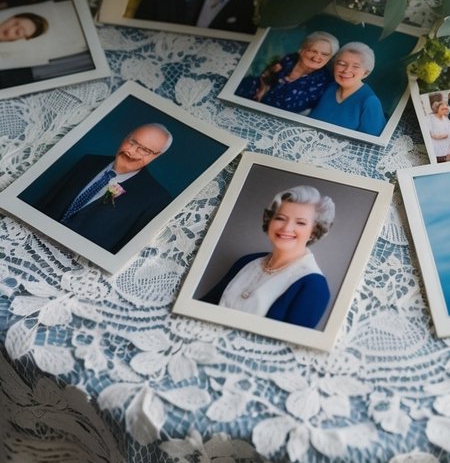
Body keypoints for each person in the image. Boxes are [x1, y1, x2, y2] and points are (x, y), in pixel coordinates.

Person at [25, 124, 174, 253]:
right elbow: (49, 198)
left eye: (144, 150)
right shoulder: (88, 161)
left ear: (156, 156)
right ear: (125, 137)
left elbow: (122, 248)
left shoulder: (155, 199)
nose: (132, 151)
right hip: (28, 237)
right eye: (132, 142)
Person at [199, 185, 334, 328]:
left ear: (314, 231)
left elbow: (280, 348)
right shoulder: (247, 261)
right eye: (280, 218)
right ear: (269, 221)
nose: (286, 228)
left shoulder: (314, 286)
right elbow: (202, 307)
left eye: (300, 222)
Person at [240, 31, 339, 113]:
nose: (317, 57)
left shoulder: (323, 81)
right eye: (313, 51)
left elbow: (290, 107)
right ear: (302, 49)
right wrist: (263, 88)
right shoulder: (288, 59)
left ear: (330, 58)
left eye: (325, 54)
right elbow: (266, 75)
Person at [309, 42, 385, 136]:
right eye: (341, 64)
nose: (346, 70)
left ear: (366, 73)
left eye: (355, 66)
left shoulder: (370, 102)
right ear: (334, 66)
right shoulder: (328, 87)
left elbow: (373, 145)